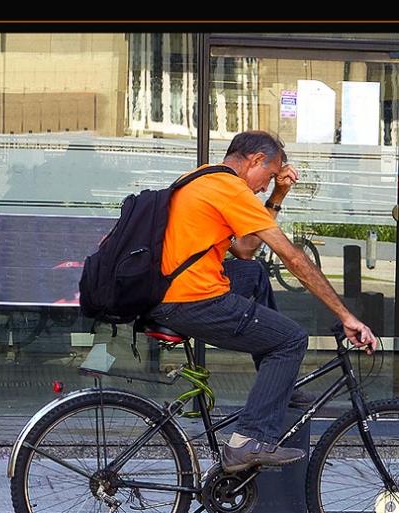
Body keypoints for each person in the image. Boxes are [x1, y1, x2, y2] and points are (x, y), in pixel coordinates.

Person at [148, 130, 378, 474]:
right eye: (268, 176)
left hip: (168, 294)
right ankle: (248, 441)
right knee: (291, 339)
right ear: (255, 160)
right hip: (191, 300)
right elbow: (295, 260)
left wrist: (278, 193)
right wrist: (347, 316)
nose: (262, 187)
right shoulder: (232, 189)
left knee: (252, 273)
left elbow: (244, 250)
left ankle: (278, 387)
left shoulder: (202, 177)